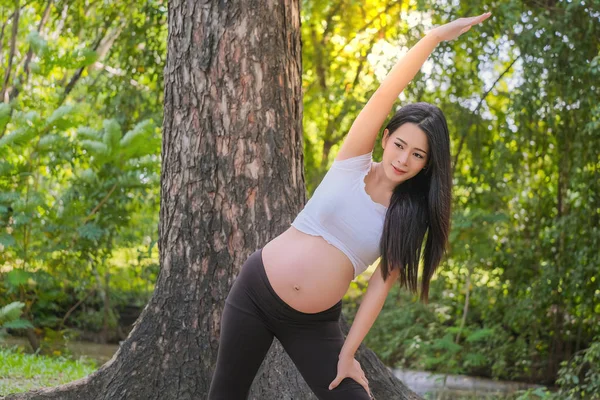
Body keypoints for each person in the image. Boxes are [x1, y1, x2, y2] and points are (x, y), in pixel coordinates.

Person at [208, 11, 492, 400]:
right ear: (386, 136)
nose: (404, 159)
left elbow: (379, 286)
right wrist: (434, 38)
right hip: (255, 290)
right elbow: (388, 90)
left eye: (418, 155)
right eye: (400, 145)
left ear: (428, 165)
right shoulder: (352, 161)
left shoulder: (408, 216)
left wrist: (347, 354)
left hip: (312, 324)